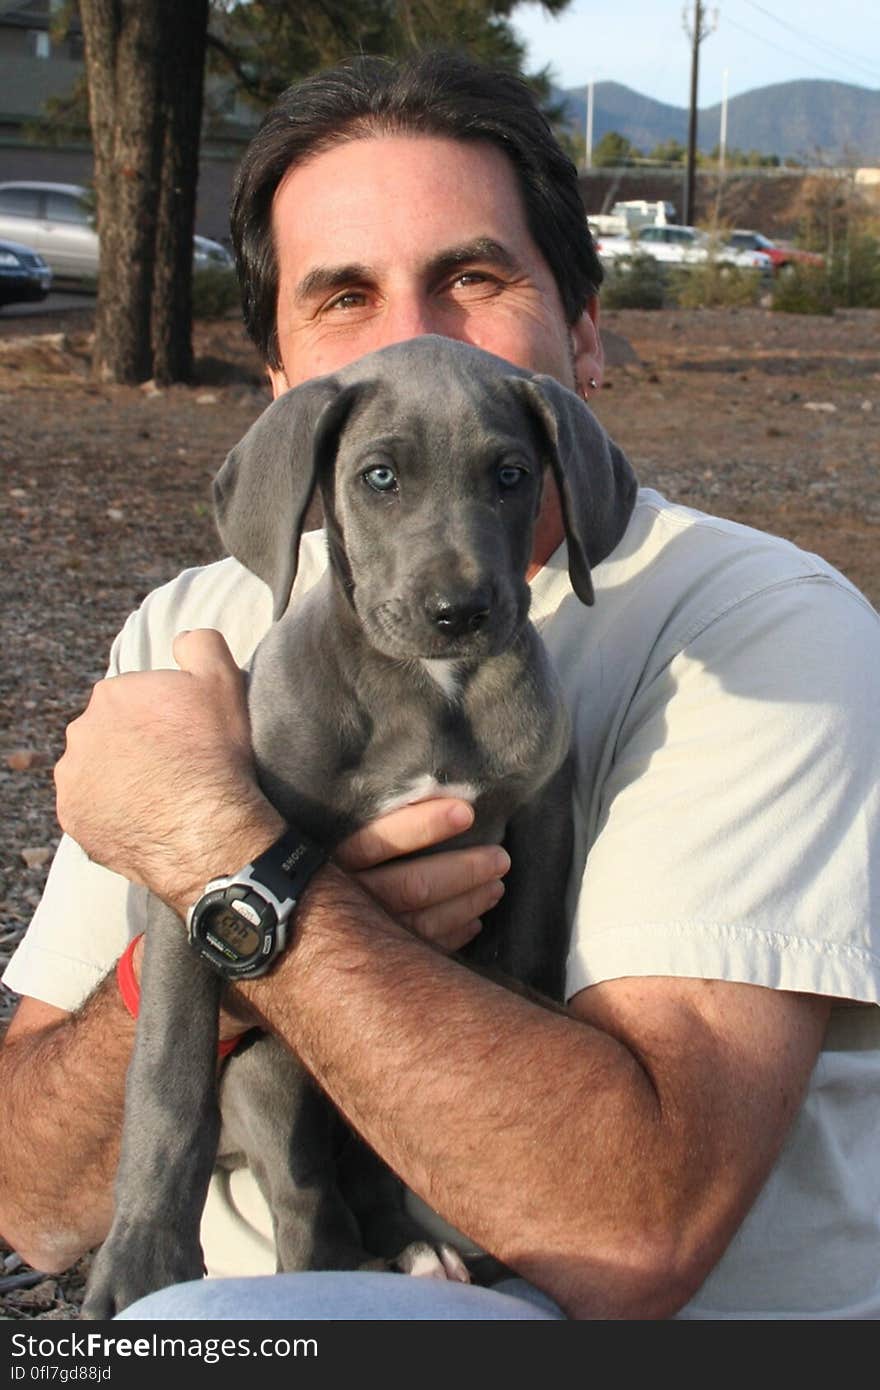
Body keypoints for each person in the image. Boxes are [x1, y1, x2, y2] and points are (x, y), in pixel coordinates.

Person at [1, 50, 878, 1322]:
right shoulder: (190, 636)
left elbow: (632, 1226)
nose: (414, 342)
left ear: (581, 334)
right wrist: (205, 967)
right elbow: (30, 1197)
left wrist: (222, 855)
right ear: (285, 388)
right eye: (343, 297)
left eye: (472, 277)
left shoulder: (763, 637)